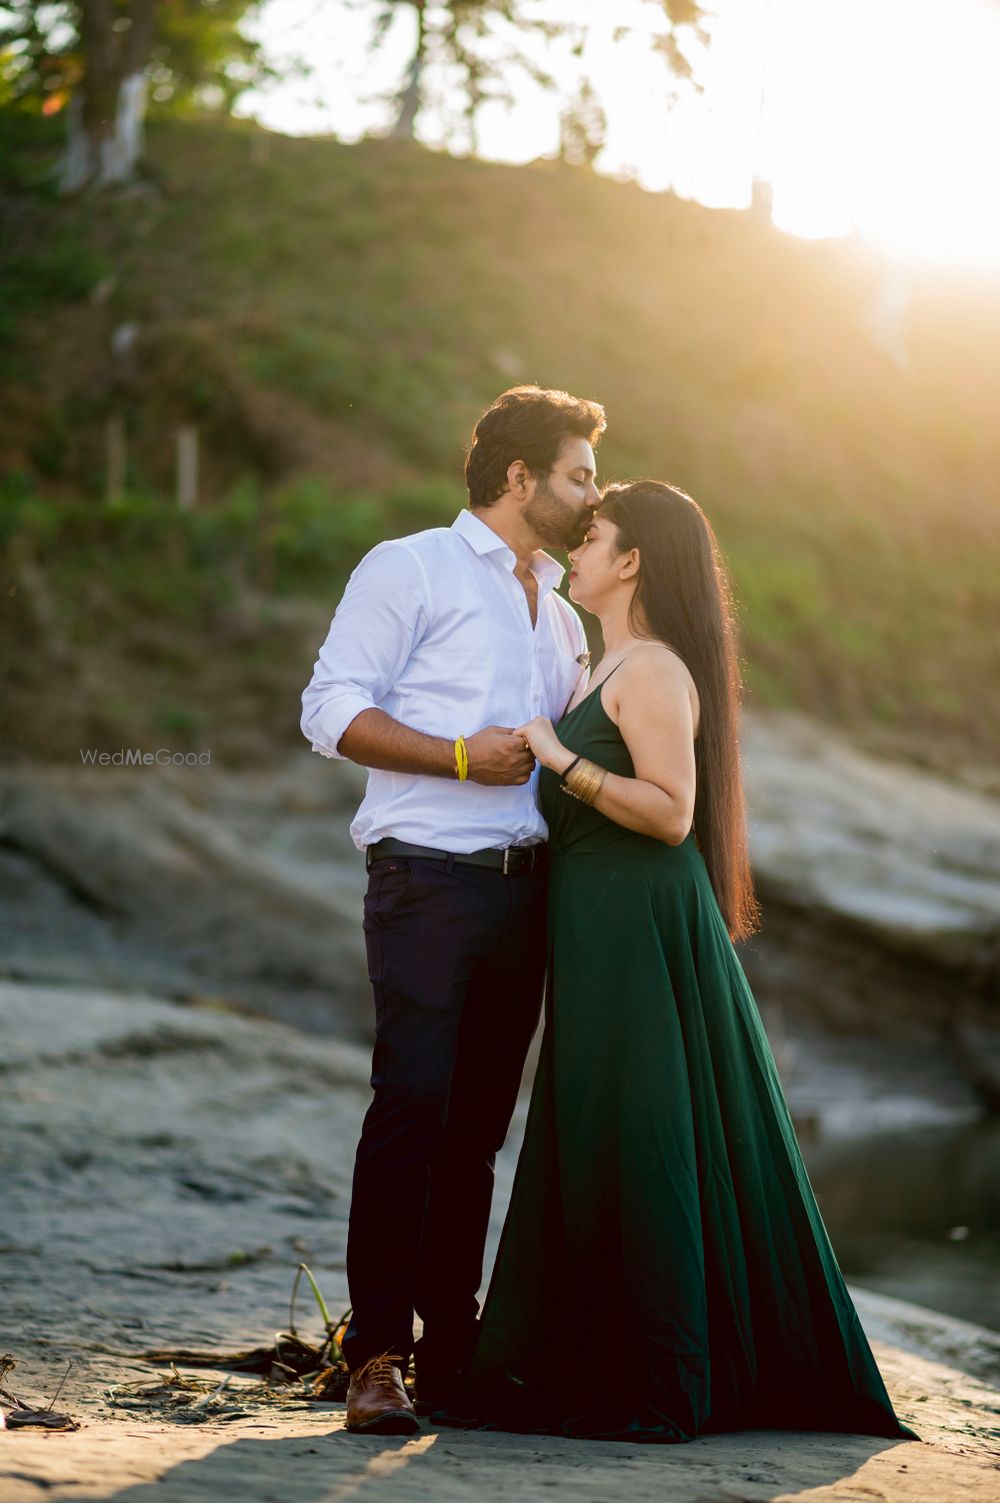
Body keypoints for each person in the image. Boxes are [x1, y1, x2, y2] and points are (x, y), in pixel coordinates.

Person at [436, 479, 920, 1445]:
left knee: (644, 1133)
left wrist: (556, 757)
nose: (575, 549)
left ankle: (659, 1374)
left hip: (639, 926)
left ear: (634, 561)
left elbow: (672, 812)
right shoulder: (604, 663)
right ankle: (588, 1357)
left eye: (593, 536)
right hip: (601, 926)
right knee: (602, 1130)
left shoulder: (651, 667)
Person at [299, 384, 605, 1434]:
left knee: (476, 1134)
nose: (590, 494)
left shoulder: (562, 613)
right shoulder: (411, 565)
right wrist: (458, 757)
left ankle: (453, 1351)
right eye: (578, 476)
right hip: (425, 879)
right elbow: (330, 708)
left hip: (528, 896)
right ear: (520, 479)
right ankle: (376, 1355)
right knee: (412, 1111)